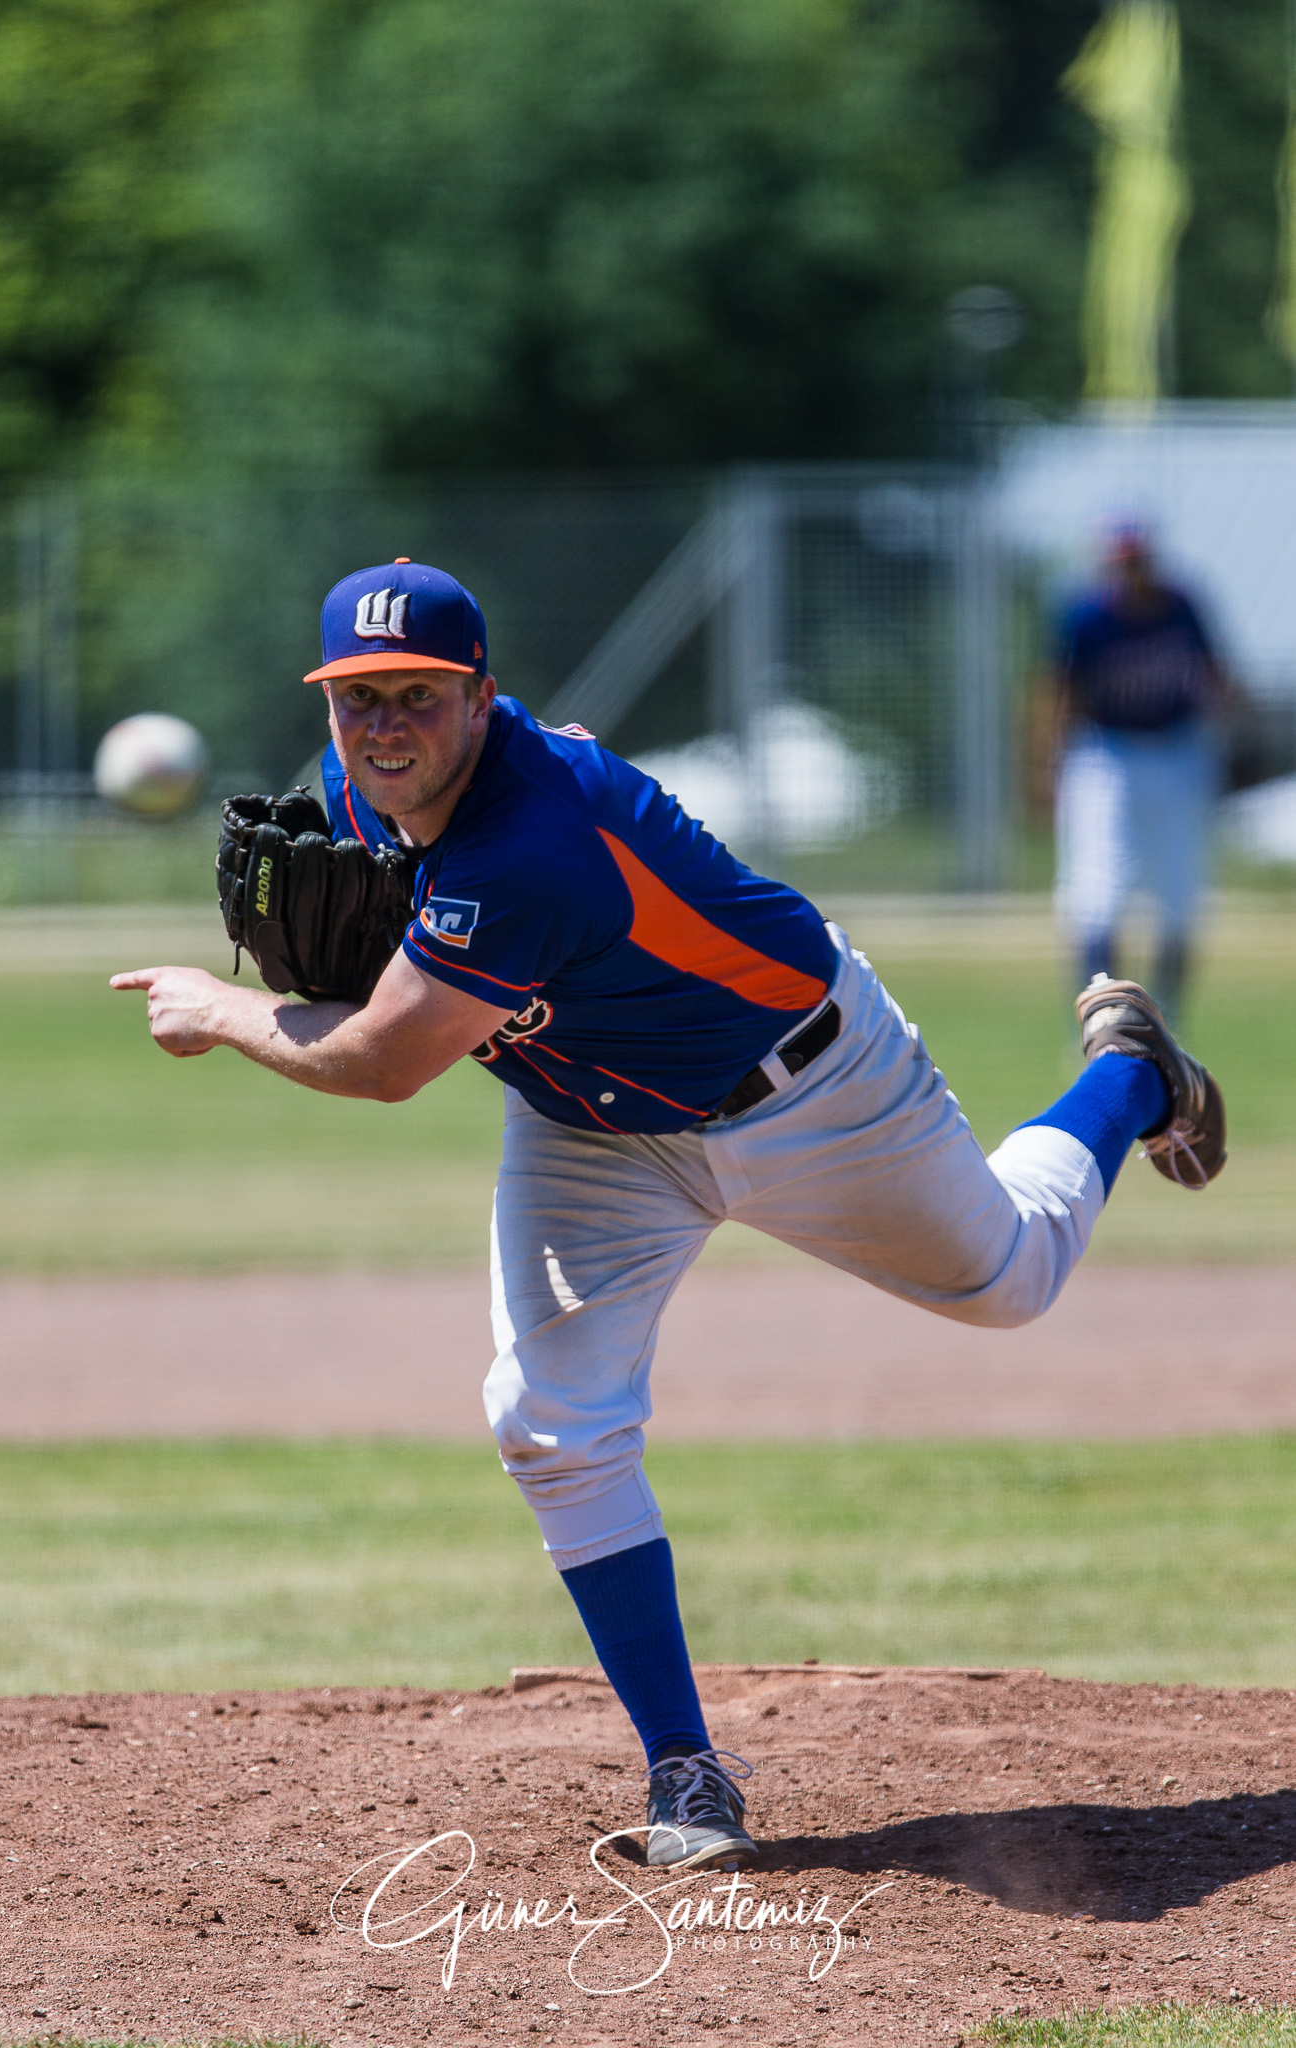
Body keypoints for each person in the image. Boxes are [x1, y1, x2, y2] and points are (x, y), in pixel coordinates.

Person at [113, 559, 1226, 1875]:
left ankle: (1133, 1075)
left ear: (481, 694)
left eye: (418, 693)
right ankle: (685, 1769)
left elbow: (386, 1061)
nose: (384, 724)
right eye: (360, 696)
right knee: (549, 1420)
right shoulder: (359, 791)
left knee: (1011, 1276)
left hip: (809, 1085)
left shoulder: (530, 843)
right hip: (593, 1126)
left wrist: (224, 1008)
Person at [1047, 523, 1236, 1022]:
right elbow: (1059, 689)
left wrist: (1242, 736)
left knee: (1180, 894)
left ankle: (1168, 1020)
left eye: (1136, 560)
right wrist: (1046, 763)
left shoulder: (1181, 606)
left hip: (1178, 749)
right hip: (1106, 754)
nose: (1130, 571)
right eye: (1122, 562)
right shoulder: (1086, 615)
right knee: (1098, 892)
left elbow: (1215, 674)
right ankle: (1102, 1019)